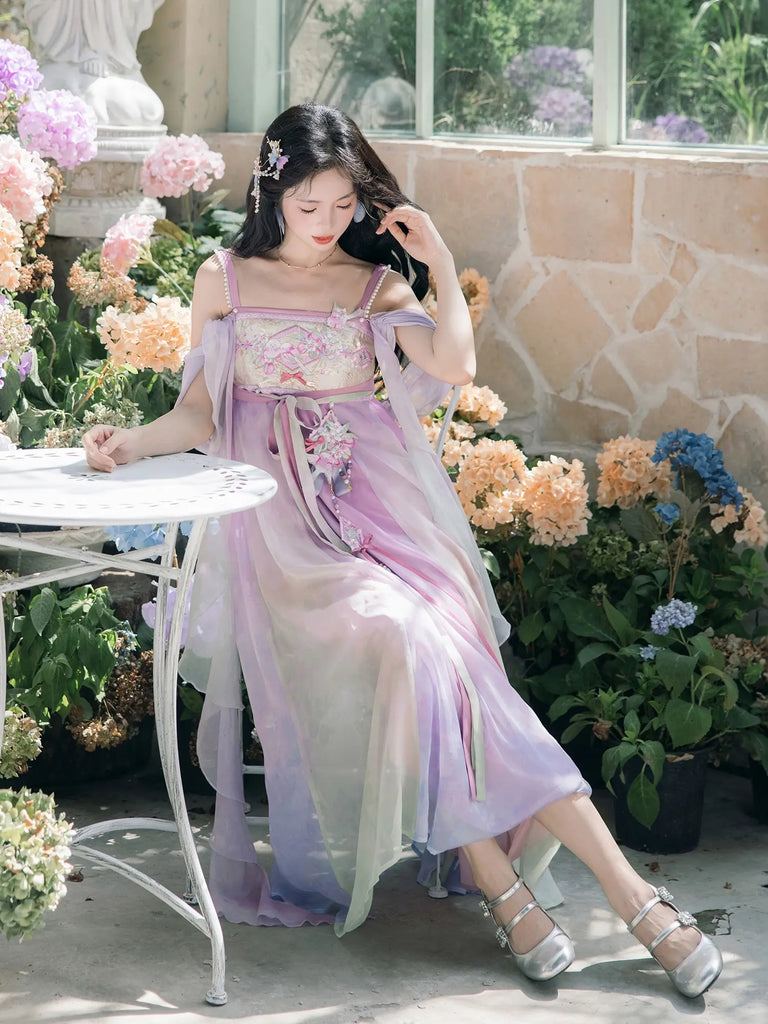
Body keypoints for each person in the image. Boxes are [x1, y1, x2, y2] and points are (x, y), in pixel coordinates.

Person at [83, 103, 722, 996]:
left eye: (344, 205)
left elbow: (456, 366)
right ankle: (594, 896)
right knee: (413, 643)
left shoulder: (373, 286)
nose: (327, 223)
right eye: (308, 205)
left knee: (439, 657)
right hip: (290, 545)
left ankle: (584, 891)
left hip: (392, 528)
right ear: (271, 192)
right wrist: (130, 444)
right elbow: (200, 411)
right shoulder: (223, 280)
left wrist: (440, 264)